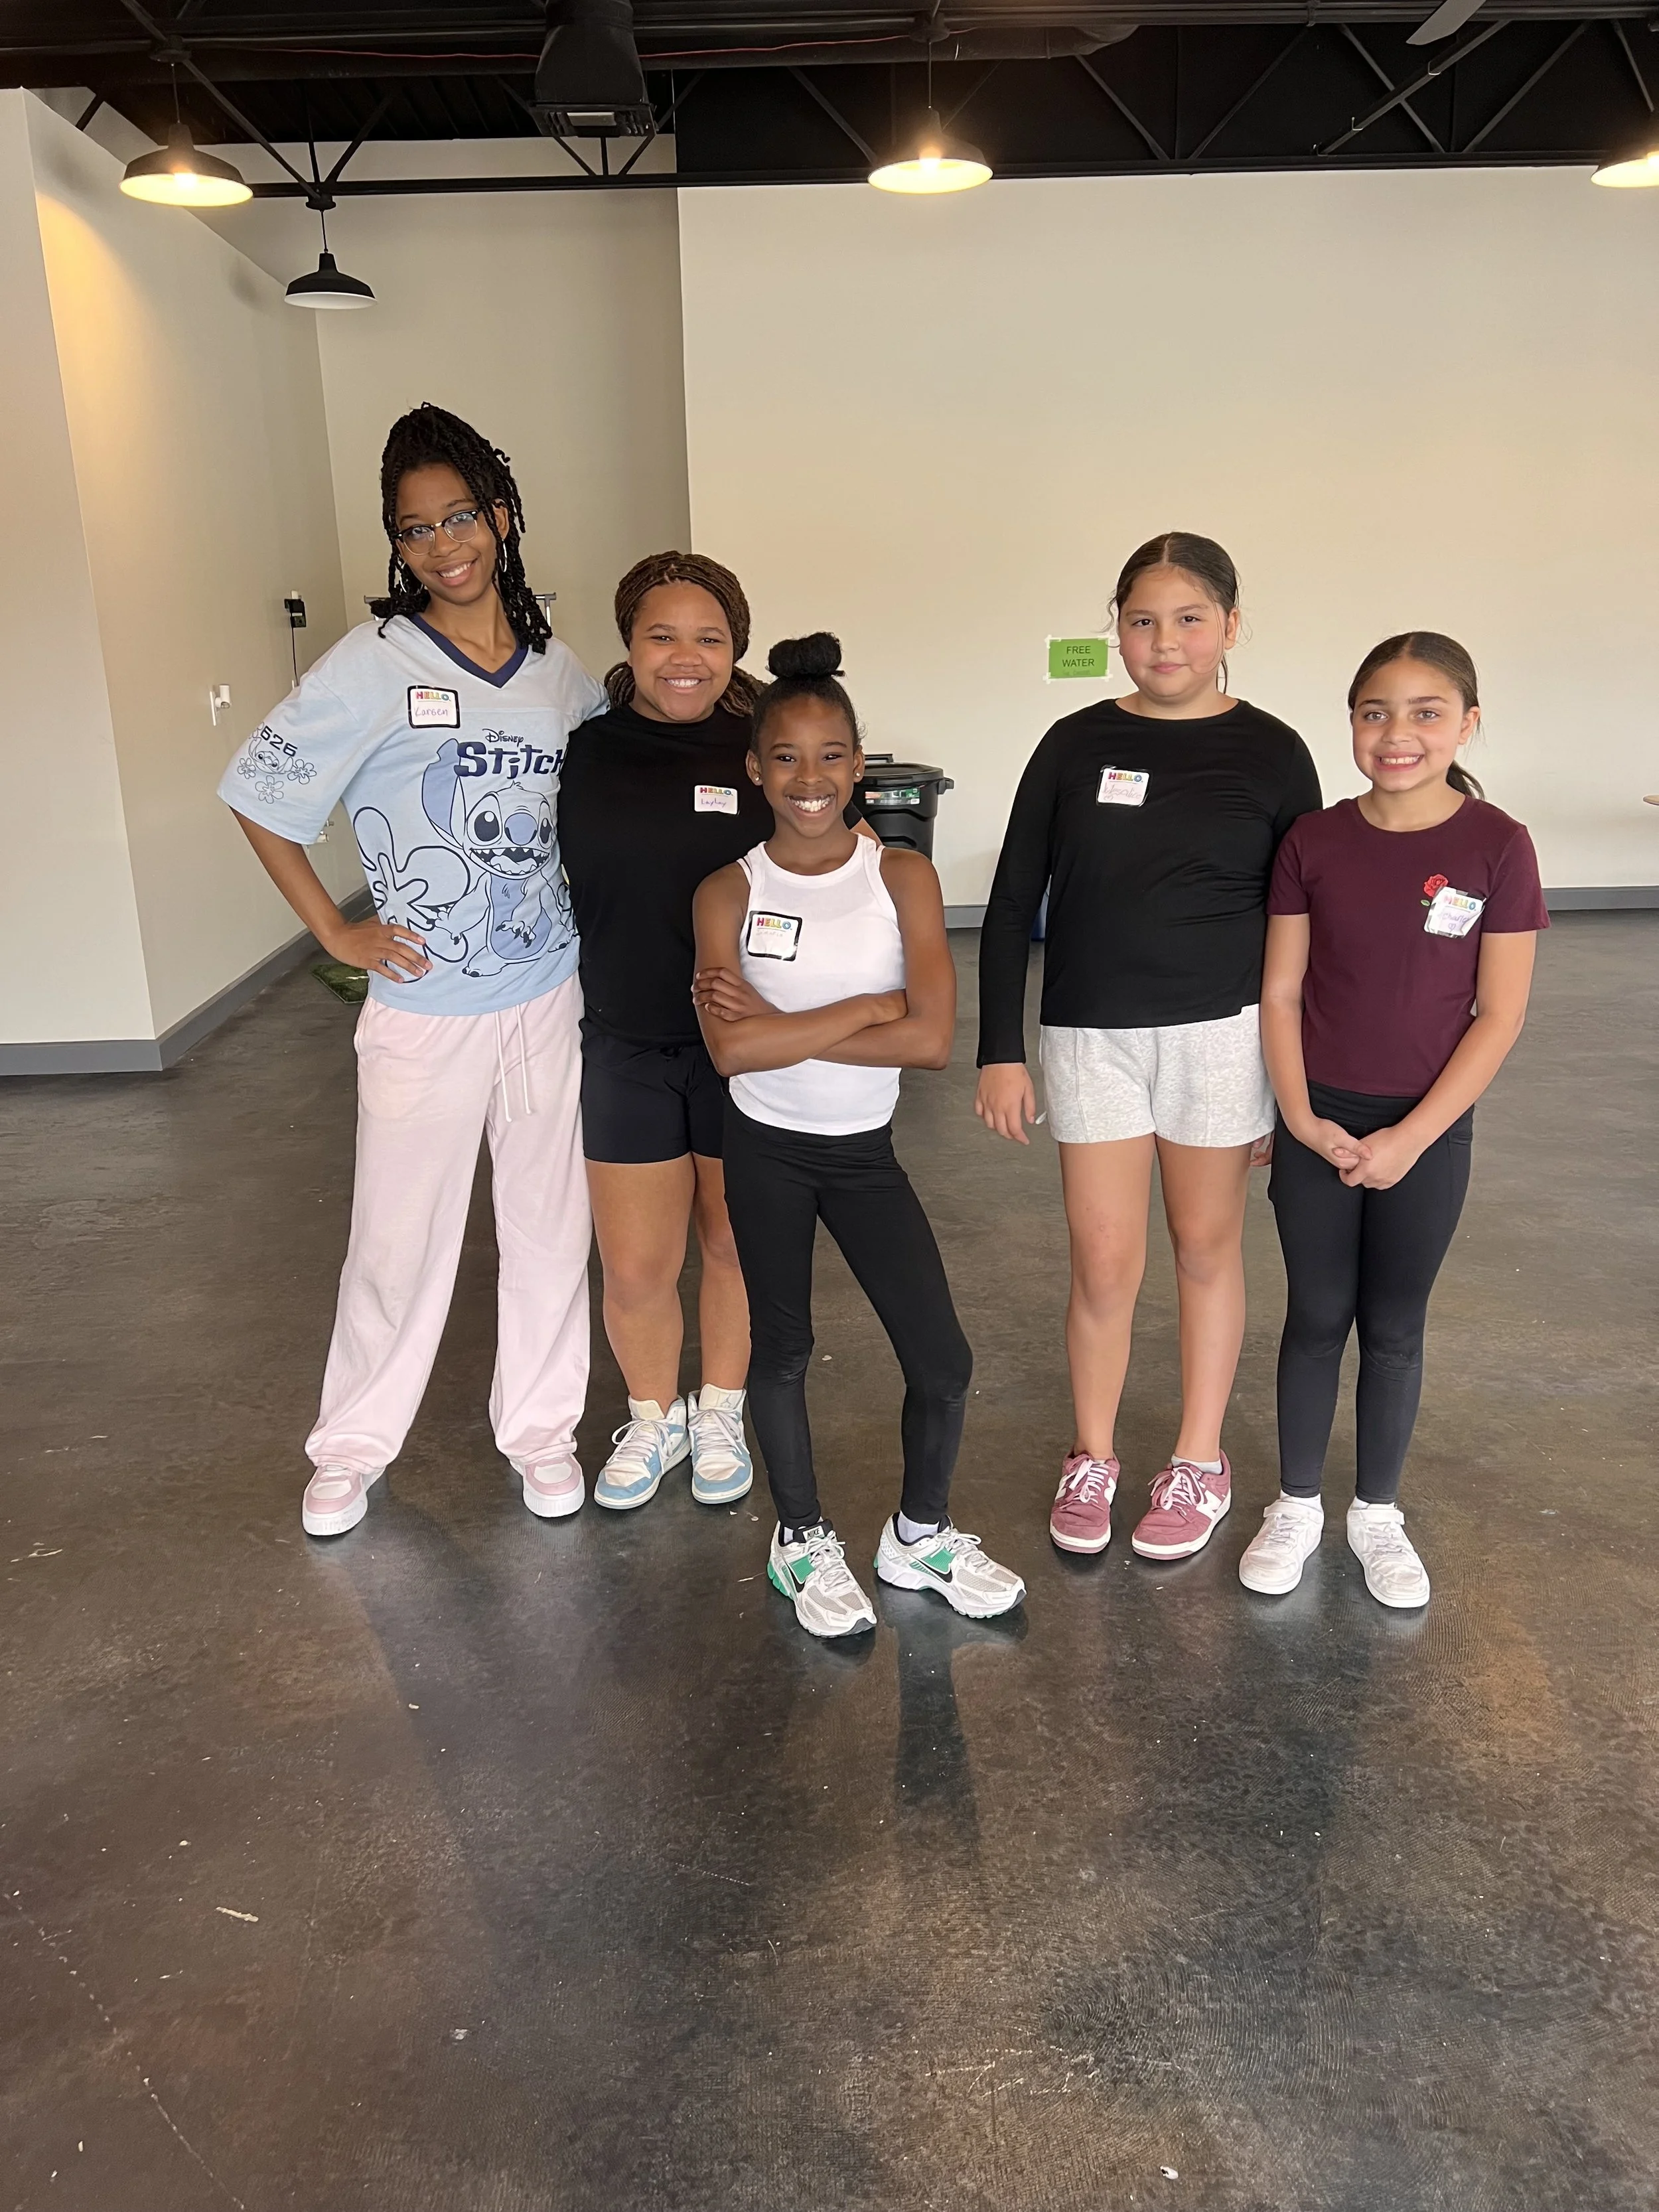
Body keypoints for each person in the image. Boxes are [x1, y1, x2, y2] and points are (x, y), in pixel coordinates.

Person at [219, 402, 603, 1536]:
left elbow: (609, 791)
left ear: (499, 517)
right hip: (424, 1011)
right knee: (397, 1237)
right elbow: (258, 793)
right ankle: (350, 1448)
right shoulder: (370, 664)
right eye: (416, 528)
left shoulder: (556, 671)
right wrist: (333, 934)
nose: (444, 545)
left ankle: (541, 1432)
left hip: (547, 995)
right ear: (398, 543)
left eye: (461, 517)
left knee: (548, 1226)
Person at [975, 533, 1321, 1563]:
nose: (1163, 642)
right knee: (1103, 1260)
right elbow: (1007, 905)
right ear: (1115, 627)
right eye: (1140, 620)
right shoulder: (1072, 742)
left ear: (1230, 625)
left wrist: (1289, 1078)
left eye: (1188, 619)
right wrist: (1001, 1049)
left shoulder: (1273, 750)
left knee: (1206, 1249)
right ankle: (1093, 1454)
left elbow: (1307, 925)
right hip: (1090, 1039)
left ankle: (1199, 1459)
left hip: (1222, 1039)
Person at [692, 634, 1025, 1638]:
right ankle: (800, 1541)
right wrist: (866, 1006)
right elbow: (729, 1059)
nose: (809, 779)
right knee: (782, 1351)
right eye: (786, 757)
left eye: (832, 755)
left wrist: (785, 1030)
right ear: (754, 768)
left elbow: (928, 1044)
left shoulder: (903, 878)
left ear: (859, 762)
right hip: (767, 1152)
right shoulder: (728, 891)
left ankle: (918, 1536)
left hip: (863, 1158)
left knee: (943, 1361)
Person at [1244, 632, 1546, 1608]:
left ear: (1468, 722)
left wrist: (1411, 1138)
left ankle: (1376, 1510)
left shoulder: (1497, 844)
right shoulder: (1315, 841)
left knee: (1397, 1327)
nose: (1397, 733)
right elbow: (1281, 993)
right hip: (1316, 1124)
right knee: (1317, 1315)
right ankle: (1296, 1503)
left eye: (1425, 712)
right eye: (1375, 711)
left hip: (1428, 1130)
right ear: (1353, 724)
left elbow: (1499, 1014)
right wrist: (1298, 1117)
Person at [557, 553, 767, 1511]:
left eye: (709, 638)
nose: (686, 658)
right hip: (627, 1044)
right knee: (639, 1264)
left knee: (732, 1243)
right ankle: (653, 1417)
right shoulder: (587, 751)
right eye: (662, 636)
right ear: (630, 645)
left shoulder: (768, 752)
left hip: (741, 1046)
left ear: (737, 648)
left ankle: (719, 1408)